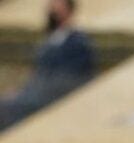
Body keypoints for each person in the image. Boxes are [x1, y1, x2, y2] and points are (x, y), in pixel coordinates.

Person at [0, 0, 95, 131]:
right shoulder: (51, 39)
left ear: (68, 11)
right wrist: (21, 91)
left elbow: (74, 77)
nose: (52, 10)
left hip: (55, 96)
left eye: (57, 7)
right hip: (36, 93)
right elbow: (38, 73)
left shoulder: (77, 42)